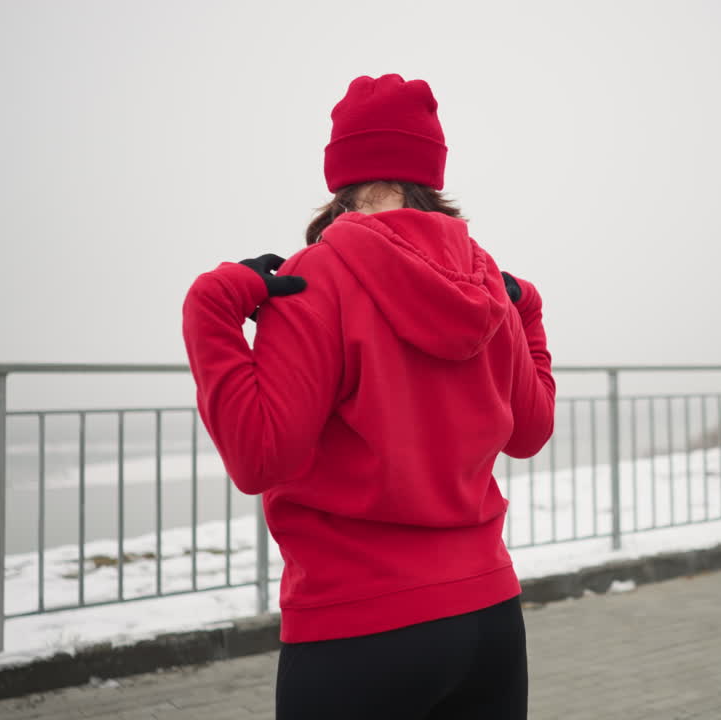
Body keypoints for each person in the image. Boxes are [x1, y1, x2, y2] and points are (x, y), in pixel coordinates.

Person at [181, 74, 556, 719]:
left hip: (358, 630)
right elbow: (530, 432)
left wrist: (211, 308)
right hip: (489, 619)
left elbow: (260, 457)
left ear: (341, 174)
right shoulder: (486, 280)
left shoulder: (314, 279)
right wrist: (530, 317)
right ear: (430, 173)